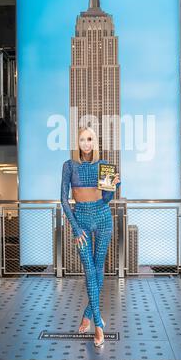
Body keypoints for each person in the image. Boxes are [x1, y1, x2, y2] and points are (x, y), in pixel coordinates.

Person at [60, 126, 121, 347]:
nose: (86, 143)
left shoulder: (103, 165)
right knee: (89, 270)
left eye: (90, 139)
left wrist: (113, 188)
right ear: (77, 142)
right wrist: (76, 229)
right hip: (82, 223)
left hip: (103, 218)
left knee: (98, 270)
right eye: (82, 139)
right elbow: (64, 200)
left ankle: (88, 314)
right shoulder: (69, 166)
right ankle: (98, 325)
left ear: (95, 142)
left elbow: (106, 200)